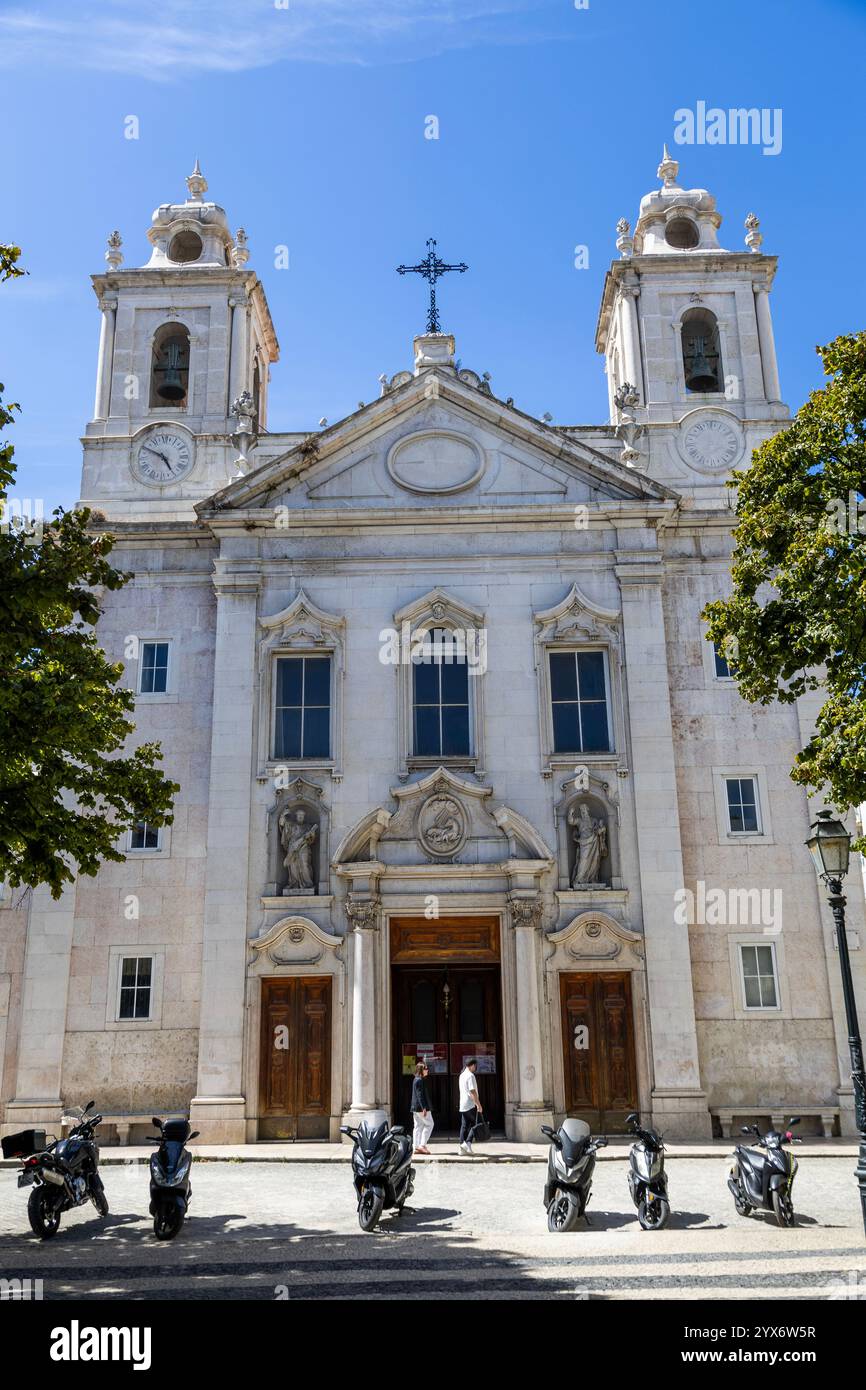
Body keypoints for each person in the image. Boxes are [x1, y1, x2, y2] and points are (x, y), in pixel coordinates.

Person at [458, 1057, 482, 1155]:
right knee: (475, 1125)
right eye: (475, 1066)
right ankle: (467, 1143)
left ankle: (461, 1147)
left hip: (463, 1104)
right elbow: (472, 1091)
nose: (475, 1068)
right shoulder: (470, 1076)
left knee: (464, 1126)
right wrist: (478, 1104)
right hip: (470, 1104)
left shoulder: (462, 1075)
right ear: (472, 1065)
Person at [411, 1061, 434, 1154]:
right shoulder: (419, 1080)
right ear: (421, 1070)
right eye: (425, 1068)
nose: (427, 1070)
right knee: (430, 1124)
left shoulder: (416, 1079)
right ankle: (422, 1145)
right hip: (421, 1108)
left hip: (415, 1107)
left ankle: (416, 1147)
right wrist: (424, 1107)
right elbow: (420, 1095)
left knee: (418, 1126)